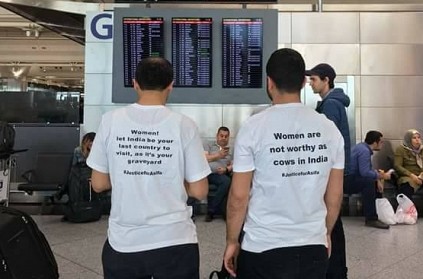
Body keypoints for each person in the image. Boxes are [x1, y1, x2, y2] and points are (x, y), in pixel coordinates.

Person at [223, 48, 345, 279]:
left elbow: (239, 196)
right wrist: (325, 233)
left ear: (269, 83)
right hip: (312, 247)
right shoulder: (329, 128)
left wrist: (231, 241)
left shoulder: (253, 127)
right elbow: (334, 195)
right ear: (302, 82)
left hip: (262, 247)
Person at [87, 57, 211, 279]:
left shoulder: (110, 121)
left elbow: (98, 184)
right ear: (171, 85)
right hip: (176, 240)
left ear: (135, 84)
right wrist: (173, 180)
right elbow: (200, 190)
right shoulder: (184, 125)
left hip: (125, 242)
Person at [306, 63, 350, 279]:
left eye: (314, 79)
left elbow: (325, 142)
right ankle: (337, 270)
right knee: (334, 221)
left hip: (332, 172)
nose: (310, 83)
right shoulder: (332, 103)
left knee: (332, 222)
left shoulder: (331, 105)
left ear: (326, 80)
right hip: (337, 170)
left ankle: (336, 270)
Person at [346, 130, 392, 229]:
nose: (382, 144)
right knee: (368, 182)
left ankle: (377, 213)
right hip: (346, 180)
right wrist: (381, 176)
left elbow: (367, 169)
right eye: (381, 142)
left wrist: (377, 178)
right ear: (375, 142)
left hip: (347, 178)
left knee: (372, 181)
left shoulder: (361, 147)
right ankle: (371, 218)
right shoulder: (364, 151)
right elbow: (365, 172)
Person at [203, 126, 232, 222]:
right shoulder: (209, 145)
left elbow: (236, 163)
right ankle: (214, 211)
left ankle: (213, 211)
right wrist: (218, 155)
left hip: (223, 174)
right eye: (221, 135)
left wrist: (226, 169)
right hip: (209, 174)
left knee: (227, 181)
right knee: (226, 181)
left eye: (226, 136)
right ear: (217, 136)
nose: (223, 138)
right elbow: (204, 158)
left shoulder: (231, 149)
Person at [394, 129, 423, 201]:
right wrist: (412, 175)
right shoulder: (401, 149)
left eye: (418, 137)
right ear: (408, 139)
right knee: (406, 187)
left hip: (421, 174)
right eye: (414, 138)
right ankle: (406, 210)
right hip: (408, 176)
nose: (417, 140)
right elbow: (397, 166)